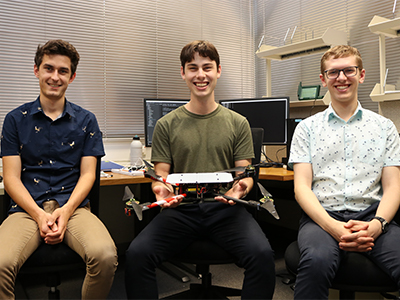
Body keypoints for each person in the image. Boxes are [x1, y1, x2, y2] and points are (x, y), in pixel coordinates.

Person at [125, 40, 275, 299]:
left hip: (225, 209)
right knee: (137, 255)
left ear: (218, 70)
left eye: (207, 67)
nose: (201, 75)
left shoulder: (238, 123)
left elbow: (244, 174)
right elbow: (160, 174)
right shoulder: (166, 124)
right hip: (181, 210)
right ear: (183, 73)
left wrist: (240, 189)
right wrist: (161, 191)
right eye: (193, 68)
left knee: (262, 256)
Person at [0, 39, 118, 299]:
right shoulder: (14, 120)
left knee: (106, 256)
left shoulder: (87, 120)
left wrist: (64, 212)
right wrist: (41, 216)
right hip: (26, 209)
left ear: (72, 76)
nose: (55, 77)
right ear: (36, 71)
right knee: (0, 263)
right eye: (48, 68)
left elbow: (89, 175)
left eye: (63, 71)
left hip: (73, 207)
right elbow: (10, 179)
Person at [289, 45, 400, 299]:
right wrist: (333, 227)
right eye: (333, 73)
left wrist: (377, 225)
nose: (341, 78)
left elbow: (393, 188)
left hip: (373, 215)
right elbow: (301, 188)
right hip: (322, 216)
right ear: (323, 79)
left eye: (348, 70)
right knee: (316, 261)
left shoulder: (384, 128)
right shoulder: (307, 129)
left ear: (360, 75)